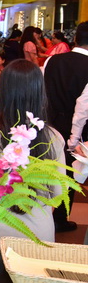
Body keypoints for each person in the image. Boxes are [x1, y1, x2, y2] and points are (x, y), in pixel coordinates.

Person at [0, 59, 63, 245]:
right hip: (39, 233)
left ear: (2, 93)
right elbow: (58, 193)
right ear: (41, 94)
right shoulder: (53, 137)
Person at [43, 21, 88, 233]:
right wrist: (74, 139)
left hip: (49, 125)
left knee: (44, 170)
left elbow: (42, 93)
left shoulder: (52, 60)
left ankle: (40, 216)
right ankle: (60, 218)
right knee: (70, 173)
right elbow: (82, 110)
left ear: (75, 39)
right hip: (76, 130)